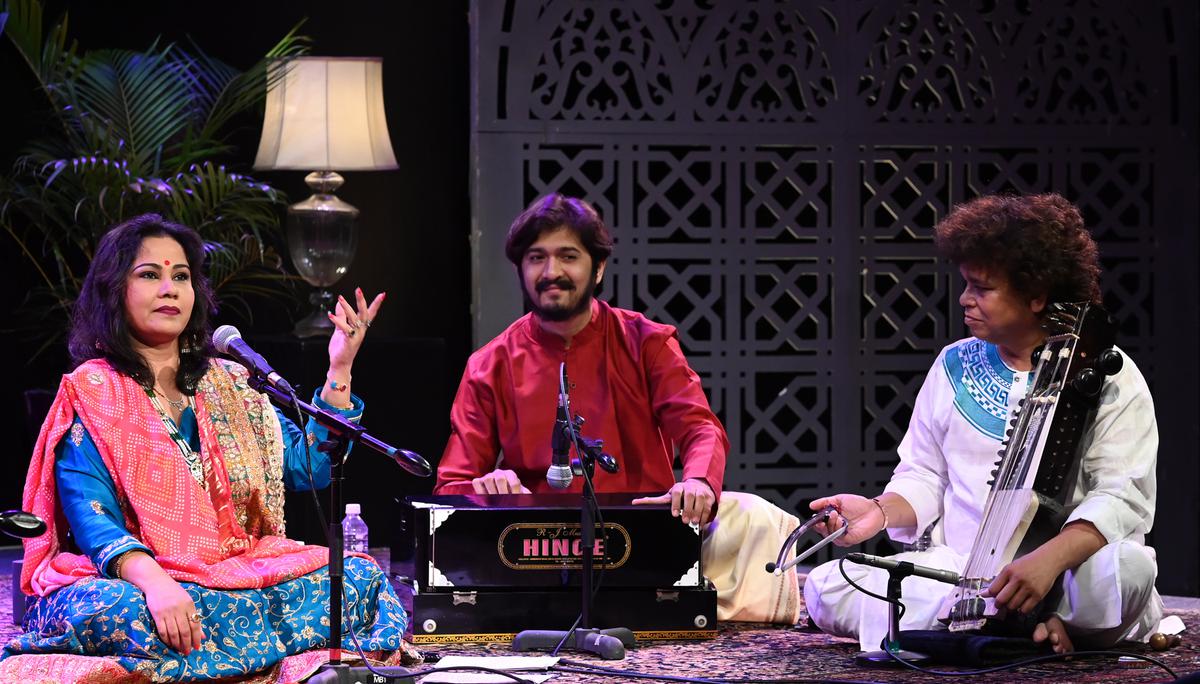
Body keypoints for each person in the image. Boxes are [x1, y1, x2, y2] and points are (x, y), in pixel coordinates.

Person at [2, 214, 408, 682]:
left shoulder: (232, 382)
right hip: (134, 583)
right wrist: (157, 584)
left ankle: (194, 657)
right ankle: (257, 647)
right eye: (149, 275)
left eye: (181, 276)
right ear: (114, 290)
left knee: (357, 577)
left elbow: (311, 468)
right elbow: (91, 516)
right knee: (113, 611)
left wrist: (340, 367)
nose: (170, 289)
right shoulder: (93, 391)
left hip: (235, 574)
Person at [803, 193, 1162, 654]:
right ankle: (1025, 631)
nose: (964, 299)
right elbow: (924, 474)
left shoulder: (1109, 375)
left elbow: (1120, 495)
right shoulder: (953, 365)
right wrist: (878, 512)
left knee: (1127, 571)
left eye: (982, 288)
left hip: (1062, 572)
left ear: (1036, 295)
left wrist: (1045, 563)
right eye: (966, 284)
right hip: (958, 571)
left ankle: (1011, 623)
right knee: (828, 586)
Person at [435, 193, 801, 623]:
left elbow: (700, 428)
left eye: (568, 256)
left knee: (754, 517)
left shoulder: (646, 343)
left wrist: (699, 481)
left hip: (646, 542)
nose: (551, 272)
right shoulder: (489, 365)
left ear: (599, 267)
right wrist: (486, 489)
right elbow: (451, 486)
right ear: (521, 269)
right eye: (536, 258)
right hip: (536, 552)